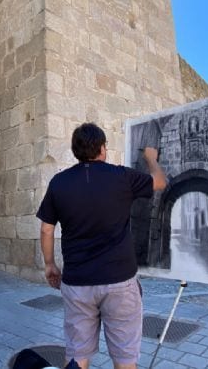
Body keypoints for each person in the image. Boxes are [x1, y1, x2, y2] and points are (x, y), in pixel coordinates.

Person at [37, 123, 167, 369]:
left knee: (77, 355)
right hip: (119, 280)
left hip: (77, 282)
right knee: (125, 358)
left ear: (76, 151)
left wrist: (50, 265)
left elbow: (46, 228)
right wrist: (151, 159)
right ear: (102, 148)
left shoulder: (58, 183)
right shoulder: (122, 176)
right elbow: (160, 182)